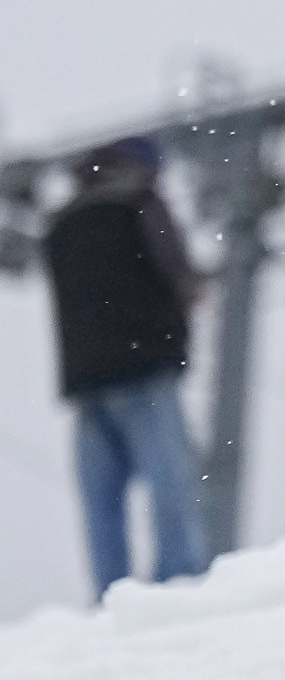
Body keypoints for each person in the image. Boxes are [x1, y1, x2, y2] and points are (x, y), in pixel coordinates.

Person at [40, 137, 210, 598]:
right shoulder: (140, 204)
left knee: (101, 500)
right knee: (169, 480)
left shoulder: (61, 221)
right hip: (145, 366)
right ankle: (179, 578)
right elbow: (179, 273)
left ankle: (110, 593)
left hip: (84, 380)